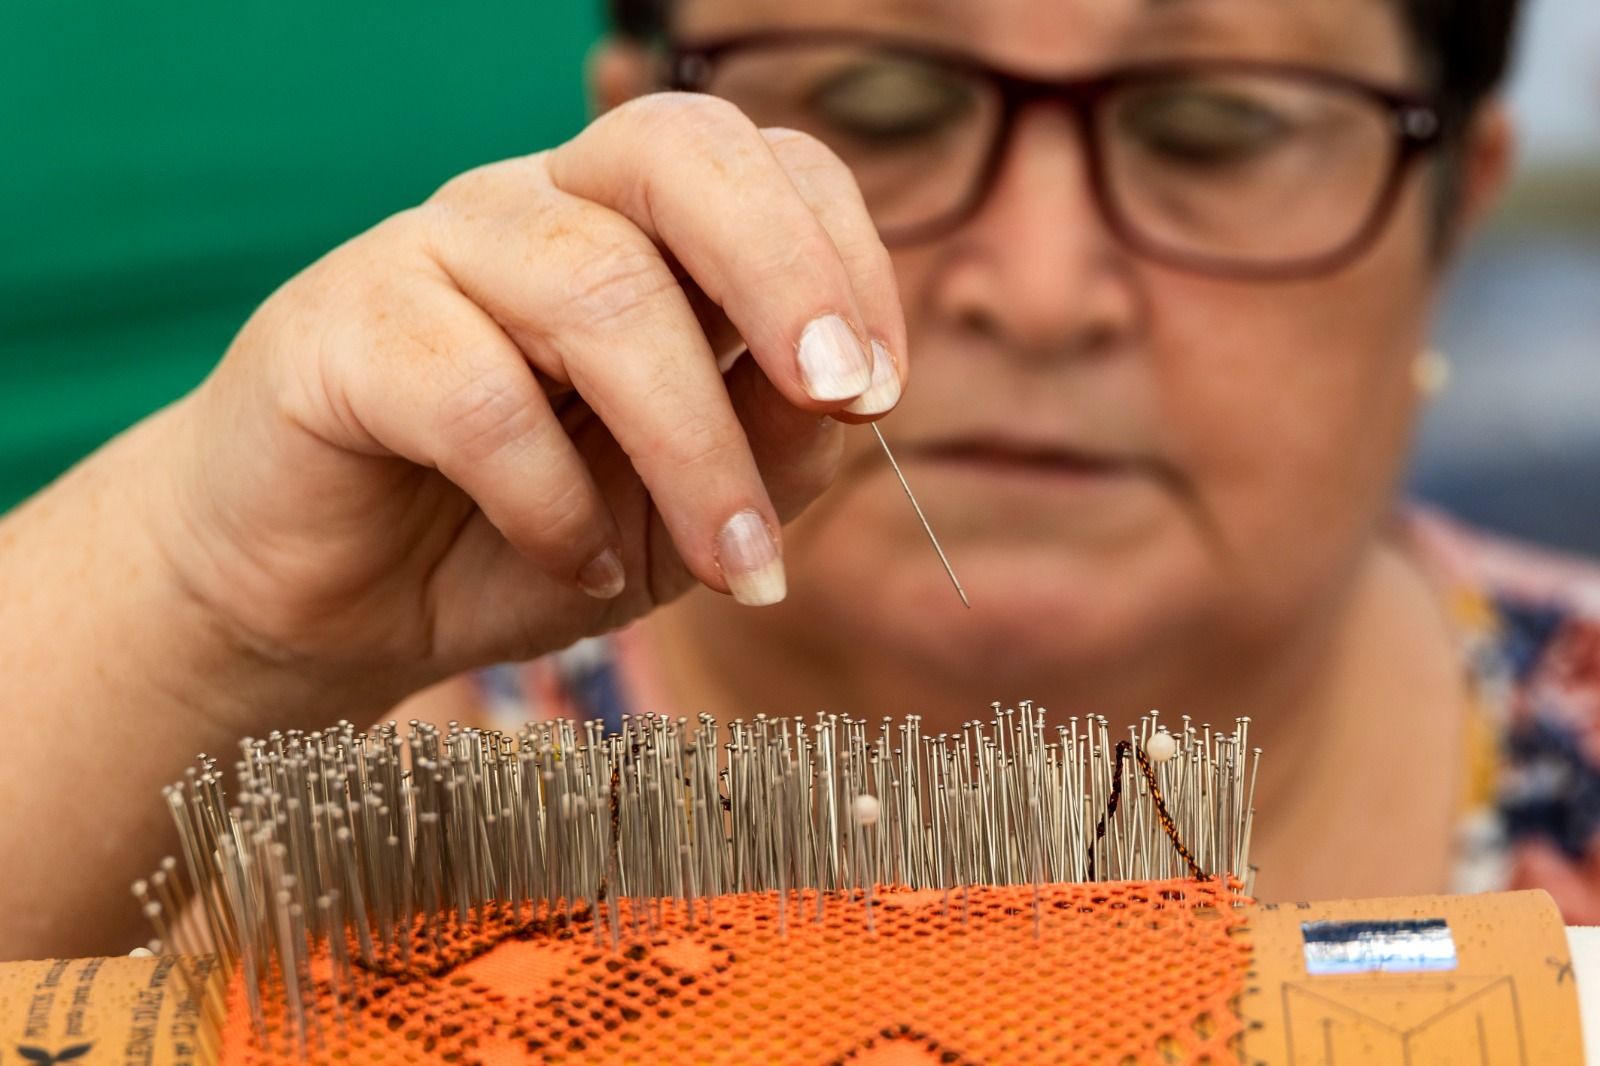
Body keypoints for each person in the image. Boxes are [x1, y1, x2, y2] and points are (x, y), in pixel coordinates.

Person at [4, 0, 1597, 963]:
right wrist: (201, 606)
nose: (1041, 289)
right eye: (885, 107)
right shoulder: (266, 826)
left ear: (1451, 211)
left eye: (1215, 128)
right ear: (637, 143)